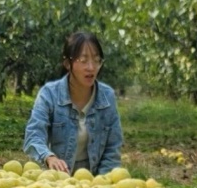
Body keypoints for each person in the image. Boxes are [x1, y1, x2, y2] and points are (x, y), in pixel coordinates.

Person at [23, 31, 123, 177]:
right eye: (83, 60)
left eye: (96, 60)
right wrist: (49, 157)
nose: (91, 67)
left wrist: (102, 182)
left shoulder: (106, 97)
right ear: (67, 63)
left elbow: (112, 148)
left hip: (94, 182)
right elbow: (34, 134)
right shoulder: (49, 94)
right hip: (55, 179)